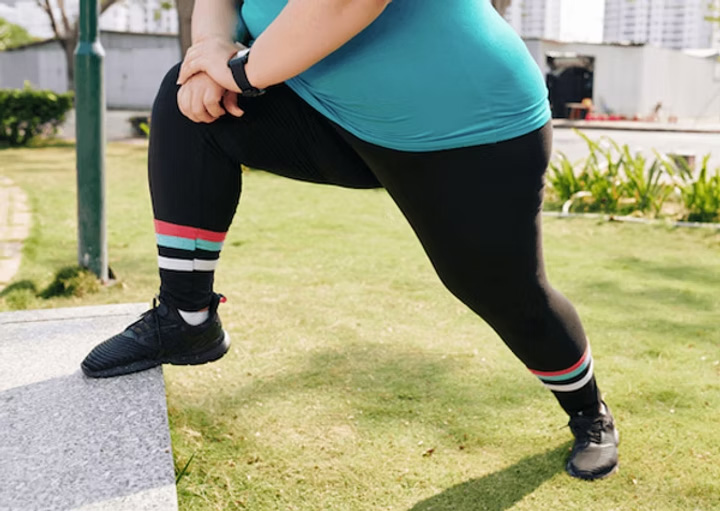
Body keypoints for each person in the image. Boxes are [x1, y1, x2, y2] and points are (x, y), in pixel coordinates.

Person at [81, 0, 619, 480]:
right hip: (338, 116)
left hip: (466, 127)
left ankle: (589, 412)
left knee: (502, 293)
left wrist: (238, 71)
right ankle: (186, 318)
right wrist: (210, 50)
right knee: (189, 104)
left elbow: (349, 3)